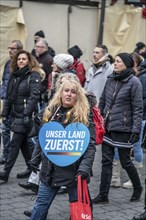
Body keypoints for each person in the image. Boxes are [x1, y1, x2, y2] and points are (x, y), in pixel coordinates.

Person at [28, 77, 96, 220]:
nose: (69, 94)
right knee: (40, 207)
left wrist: (84, 169)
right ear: (60, 93)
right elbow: (43, 139)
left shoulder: (84, 117)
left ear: (78, 96)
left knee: (81, 209)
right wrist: (35, 159)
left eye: (73, 92)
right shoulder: (50, 113)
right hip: (50, 171)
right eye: (66, 90)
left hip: (75, 173)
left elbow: (90, 147)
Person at [92, 52, 143, 204]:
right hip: (108, 126)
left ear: (126, 65)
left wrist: (136, 129)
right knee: (106, 162)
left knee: (125, 161)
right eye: (115, 61)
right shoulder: (111, 78)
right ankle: (103, 195)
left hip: (124, 128)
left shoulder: (134, 82)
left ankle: (138, 187)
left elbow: (138, 108)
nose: (115, 63)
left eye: (118, 61)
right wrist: (98, 119)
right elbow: (103, 101)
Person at [0, 50, 41, 182]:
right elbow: (8, 97)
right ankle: (32, 169)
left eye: (24, 59)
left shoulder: (33, 75)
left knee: (14, 143)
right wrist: (5, 114)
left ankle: (5, 172)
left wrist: (26, 114)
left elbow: (34, 96)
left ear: (29, 61)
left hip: (24, 116)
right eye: (19, 59)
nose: (21, 61)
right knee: (23, 144)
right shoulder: (14, 76)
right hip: (15, 114)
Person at [0, 40, 23, 165]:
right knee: (4, 129)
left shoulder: (22, 64)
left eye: (13, 48)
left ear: (19, 50)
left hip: (18, 104)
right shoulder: (8, 63)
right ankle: (6, 155)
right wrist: (3, 95)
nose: (10, 50)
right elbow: (4, 81)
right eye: (9, 48)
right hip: (7, 102)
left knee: (24, 134)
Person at [33, 38, 53, 109]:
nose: (36, 48)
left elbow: (50, 77)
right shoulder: (36, 58)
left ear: (45, 48)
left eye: (38, 47)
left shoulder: (48, 60)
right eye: (36, 46)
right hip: (35, 90)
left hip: (43, 93)